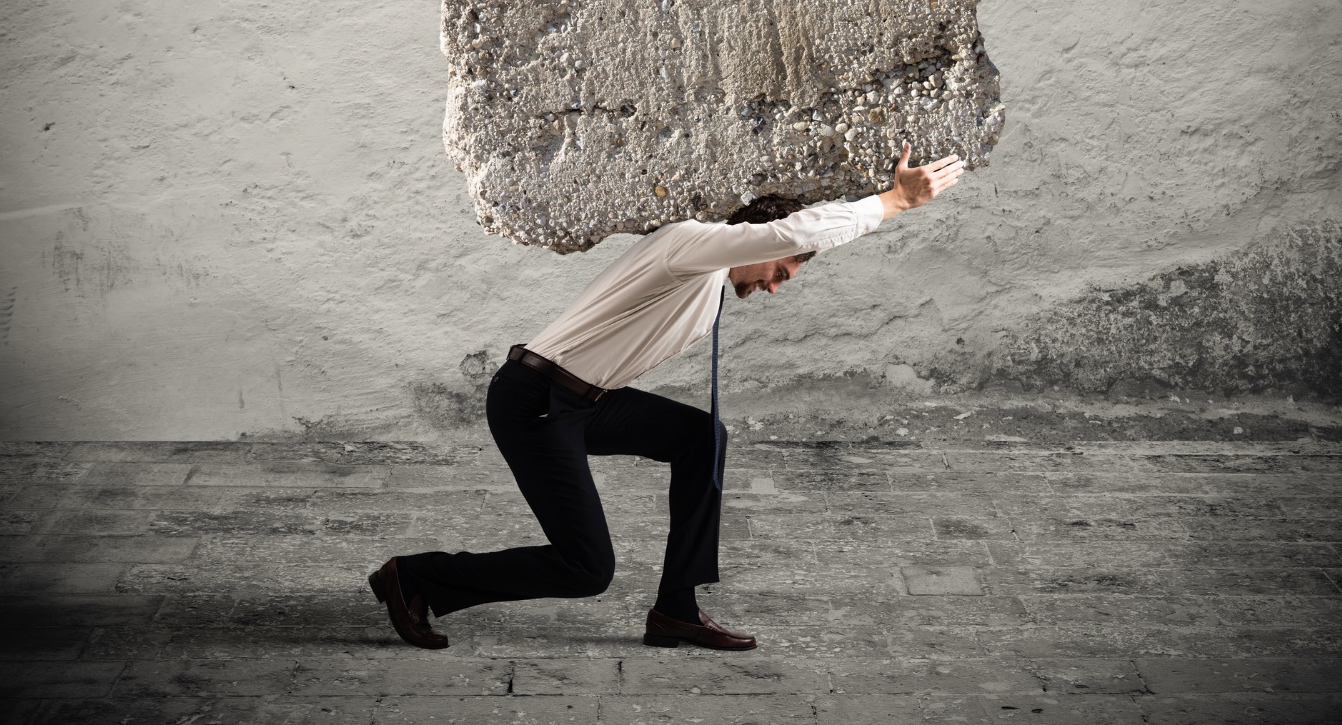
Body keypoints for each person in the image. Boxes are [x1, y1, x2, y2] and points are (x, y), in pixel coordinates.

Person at [369, 142, 966, 650]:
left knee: (700, 436)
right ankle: (417, 577)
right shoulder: (691, 245)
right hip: (537, 400)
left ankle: (676, 609)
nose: (774, 289)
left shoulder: (706, 281)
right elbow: (788, 230)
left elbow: (785, 239)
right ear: (754, 243)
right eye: (779, 272)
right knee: (587, 569)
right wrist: (892, 203)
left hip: (585, 400)